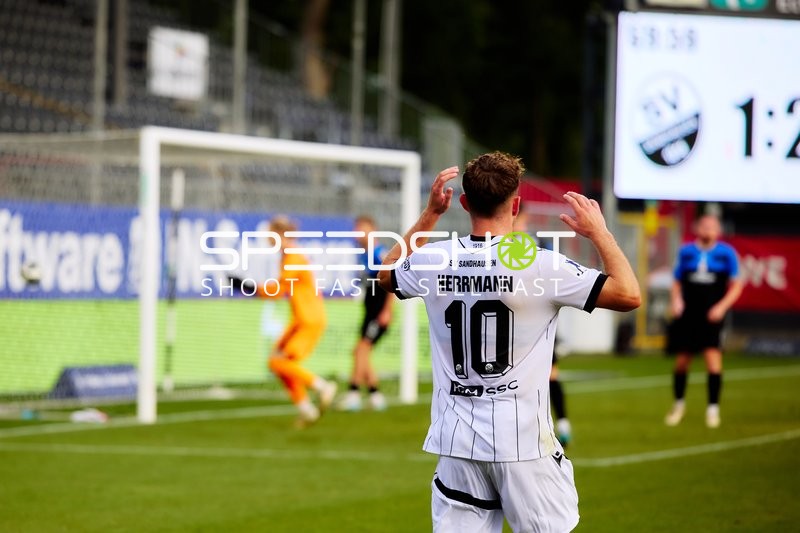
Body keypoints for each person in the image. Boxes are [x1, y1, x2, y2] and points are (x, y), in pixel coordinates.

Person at [377, 152, 640, 532]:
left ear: (464, 203)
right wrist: (599, 231)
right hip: (523, 447)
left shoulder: (434, 259)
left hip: (458, 445)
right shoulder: (539, 264)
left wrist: (431, 214)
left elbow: (385, 276)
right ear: (515, 205)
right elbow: (628, 294)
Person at [234, 216, 337, 427]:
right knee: (276, 362)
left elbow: (279, 290)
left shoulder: (293, 258)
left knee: (279, 362)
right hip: (301, 318)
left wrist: (249, 287)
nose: (269, 241)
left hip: (309, 320)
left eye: (271, 236)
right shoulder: (289, 257)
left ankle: (322, 387)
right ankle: (306, 408)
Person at [665, 214, 742, 428]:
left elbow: (737, 285)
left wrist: (722, 306)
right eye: (705, 226)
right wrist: (677, 301)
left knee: (713, 361)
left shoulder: (726, 253)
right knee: (681, 362)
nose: (708, 230)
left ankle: (712, 409)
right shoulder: (686, 251)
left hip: (711, 316)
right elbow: (676, 281)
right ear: (697, 228)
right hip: (689, 315)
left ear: (718, 231)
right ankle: (678, 405)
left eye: (712, 227)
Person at [513, 203, 572, 447]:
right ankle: (535, 428)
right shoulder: (495, 243)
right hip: (515, 322)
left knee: (549, 374)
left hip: (534, 322)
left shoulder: (535, 243)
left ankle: (562, 423)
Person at [339, 215, 394, 412]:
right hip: (369, 311)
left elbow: (391, 284)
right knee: (361, 352)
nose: (358, 234)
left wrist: (387, 311)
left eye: (362, 229)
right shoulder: (363, 254)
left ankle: (353, 393)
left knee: (361, 350)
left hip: (378, 313)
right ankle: (375, 394)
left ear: (373, 230)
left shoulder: (380, 254)